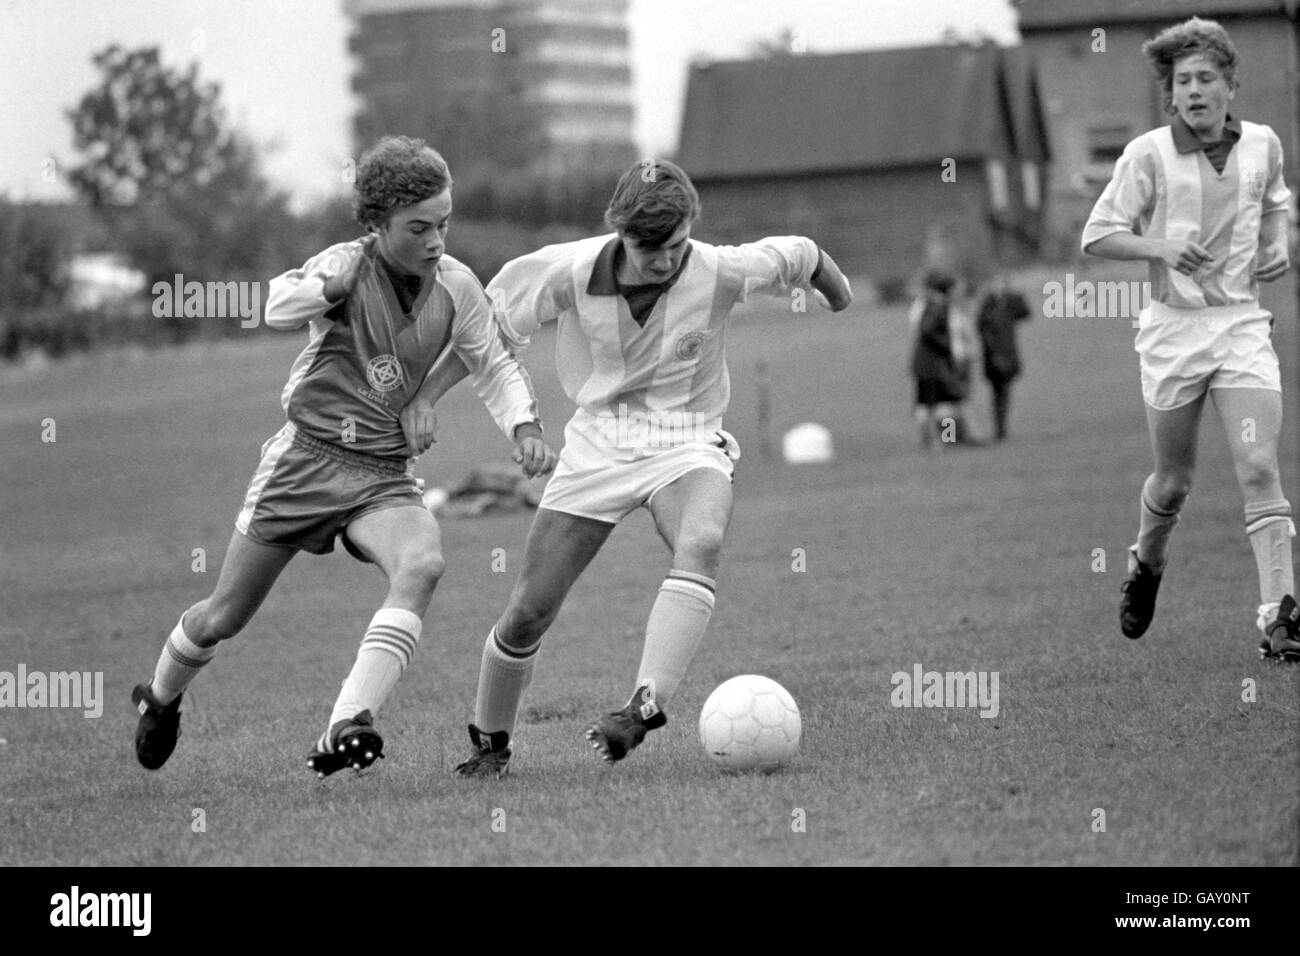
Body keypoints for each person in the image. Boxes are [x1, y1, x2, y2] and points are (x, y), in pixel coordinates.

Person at [129, 135, 557, 776]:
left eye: (443, 224)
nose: (436, 241)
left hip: (383, 473)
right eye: (418, 228)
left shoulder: (457, 285)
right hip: (304, 462)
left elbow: (491, 359)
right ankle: (160, 698)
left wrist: (524, 426)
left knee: (422, 563)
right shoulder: (344, 264)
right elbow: (277, 306)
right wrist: (331, 287)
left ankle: (347, 723)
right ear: (378, 225)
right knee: (224, 616)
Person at [453, 159, 854, 776]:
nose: (665, 260)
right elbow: (483, 331)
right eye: (649, 249)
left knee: (702, 540)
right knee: (529, 610)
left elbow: (800, 254)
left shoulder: (720, 269)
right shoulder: (568, 270)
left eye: (676, 244)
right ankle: (490, 745)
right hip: (598, 444)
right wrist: (508, 418)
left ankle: (643, 705)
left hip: (687, 440)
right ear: (619, 232)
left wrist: (837, 292)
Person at [1081, 17, 1299, 660]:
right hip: (1174, 333)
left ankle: (1280, 619)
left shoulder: (1263, 144)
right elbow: (1097, 234)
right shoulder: (1147, 154)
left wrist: (1278, 243)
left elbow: (1277, 202)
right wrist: (1161, 246)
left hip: (1241, 327)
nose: (1194, 90)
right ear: (1170, 95)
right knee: (1173, 482)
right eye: (1182, 82)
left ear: (1231, 85)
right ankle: (1147, 563)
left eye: (1206, 78)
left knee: (1259, 466)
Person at [909, 269, 970, 446]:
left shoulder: (928, 304)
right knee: (937, 403)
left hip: (923, 363)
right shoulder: (937, 306)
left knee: (926, 403)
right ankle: (939, 440)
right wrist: (947, 348)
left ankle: (937, 440)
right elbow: (928, 331)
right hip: (932, 364)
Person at [975, 271, 1031, 441]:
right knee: (998, 391)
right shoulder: (987, 305)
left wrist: (1015, 295)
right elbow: (981, 327)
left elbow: (1025, 313)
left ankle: (1001, 428)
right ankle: (999, 428)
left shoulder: (1010, 303)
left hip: (1008, 353)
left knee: (1004, 391)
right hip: (993, 356)